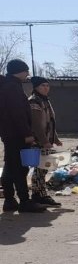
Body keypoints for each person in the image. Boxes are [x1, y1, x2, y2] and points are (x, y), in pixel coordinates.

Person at [0, 60, 46, 213]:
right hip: (17, 135)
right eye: (26, 71)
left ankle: (9, 200)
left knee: (9, 167)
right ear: (19, 71)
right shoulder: (12, 88)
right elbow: (18, 114)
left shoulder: (6, 86)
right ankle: (25, 201)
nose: (27, 74)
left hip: (9, 134)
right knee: (20, 168)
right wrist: (26, 134)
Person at [28, 76, 63, 207]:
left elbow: (50, 122)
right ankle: (38, 195)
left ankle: (41, 194)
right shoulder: (34, 102)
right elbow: (36, 125)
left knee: (43, 168)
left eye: (47, 85)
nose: (46, 88)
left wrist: (55, 138)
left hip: (45, 140)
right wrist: (44, 141)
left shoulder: (45, 100)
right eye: (43, 85)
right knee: (39, 169)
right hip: (38, 142)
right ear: (36, 87)